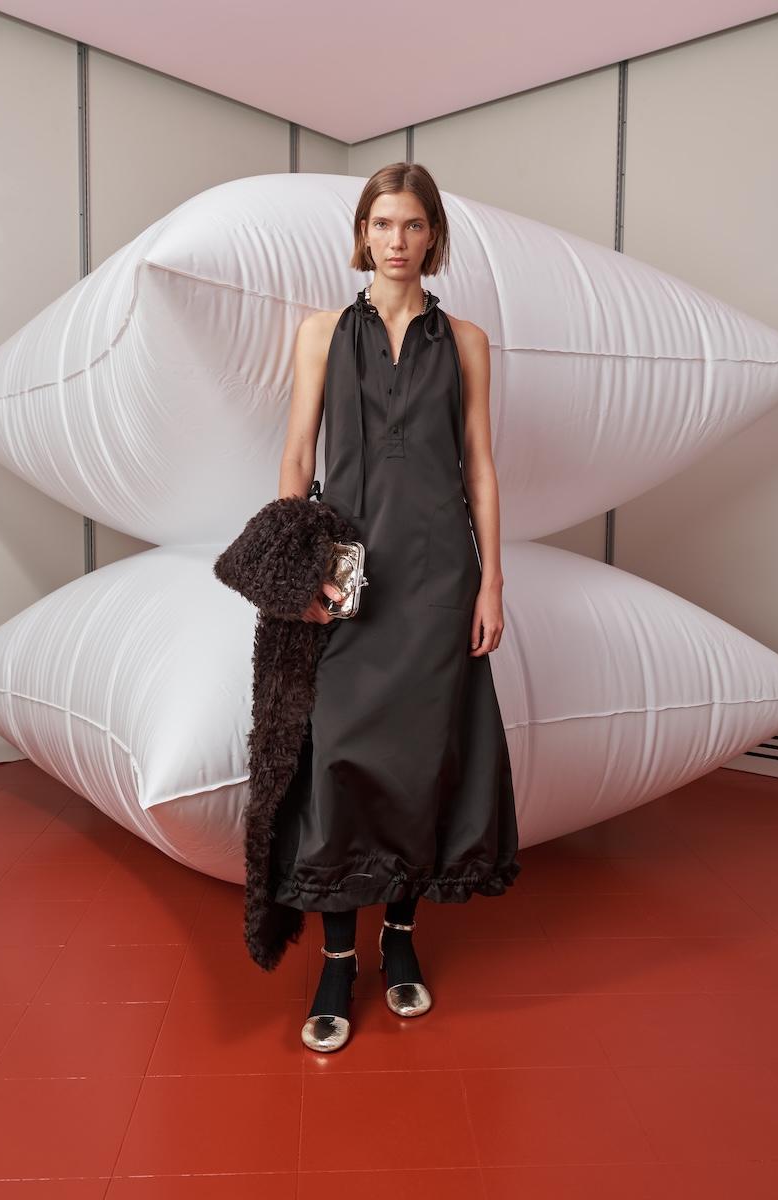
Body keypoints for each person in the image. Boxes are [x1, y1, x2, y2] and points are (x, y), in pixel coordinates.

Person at [273, 162, 521, 1051]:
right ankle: (339, 959)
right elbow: (297, 457)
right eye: (382, 224)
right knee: (340, 760)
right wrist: (297, 571)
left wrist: (491, 582)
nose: (397, 240)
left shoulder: (468, 342)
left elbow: (479, 467)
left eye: (413, 225)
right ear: (362, 234)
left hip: (439, 577)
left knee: (424, 762)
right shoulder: (318, 333)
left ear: (434, 236)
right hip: (348, 578)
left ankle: (402, 941)